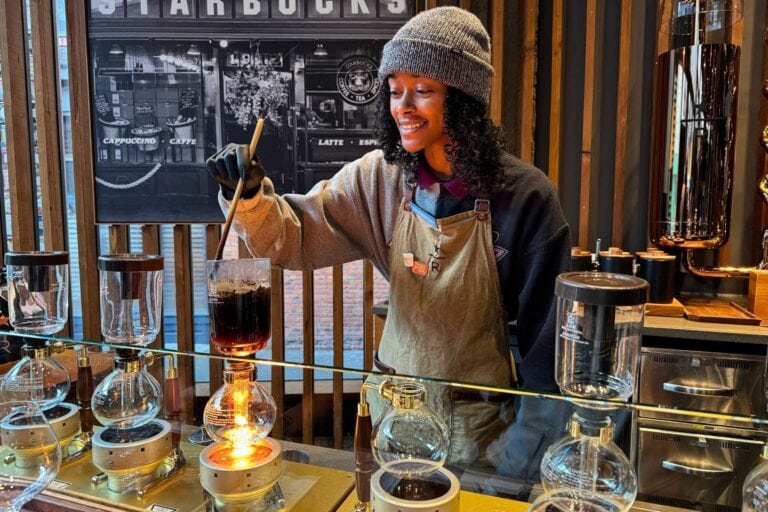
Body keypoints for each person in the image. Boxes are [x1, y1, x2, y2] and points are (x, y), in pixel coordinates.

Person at [207, 6, 571, 479]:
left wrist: (520, 465)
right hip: (392, 421)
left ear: (463, 99)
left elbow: (550, 351)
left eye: (423, 91)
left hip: (482, 431)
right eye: (395, 90)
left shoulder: (526, 196)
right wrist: (252, 196)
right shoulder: (380, 178)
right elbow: (293, 238)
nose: (403, 106)